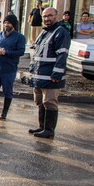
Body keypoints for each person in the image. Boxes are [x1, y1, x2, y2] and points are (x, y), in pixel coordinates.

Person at [28, 7, 70, 138]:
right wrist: (31, 69)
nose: (47, 19)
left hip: (51, 77)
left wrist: (57, 74)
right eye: (45, 16)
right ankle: (42, 126)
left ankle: (49, 130)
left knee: (50, 102)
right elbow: (36, 53)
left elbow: (62, 55)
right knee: (40, 102)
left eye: (50, 16)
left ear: (56, 16)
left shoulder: (60, 32)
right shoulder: (44, 32)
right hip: (39, 75)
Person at [0, 14, 26, 120]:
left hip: (9, 69)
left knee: (7, 91)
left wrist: (6, 52)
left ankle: (4, 113)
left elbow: (21, 51)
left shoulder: (19, 37)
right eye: (5, 23)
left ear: (13, 25)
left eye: (8, 23)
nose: (6, 25)